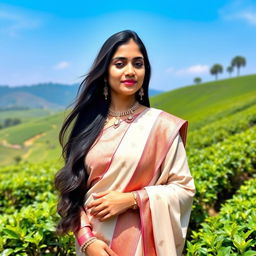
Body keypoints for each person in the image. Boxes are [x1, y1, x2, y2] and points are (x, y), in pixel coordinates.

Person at [55, 30, 195, 256]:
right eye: (120, 63)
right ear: (105, 71)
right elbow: (73, 195)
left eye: (137, 64)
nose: (130, 71)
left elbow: (183, 189)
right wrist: (86, 240)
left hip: (141, 246)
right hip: (92, 247)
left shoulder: (162, 126)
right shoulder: (87, 127)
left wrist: (132, 199)